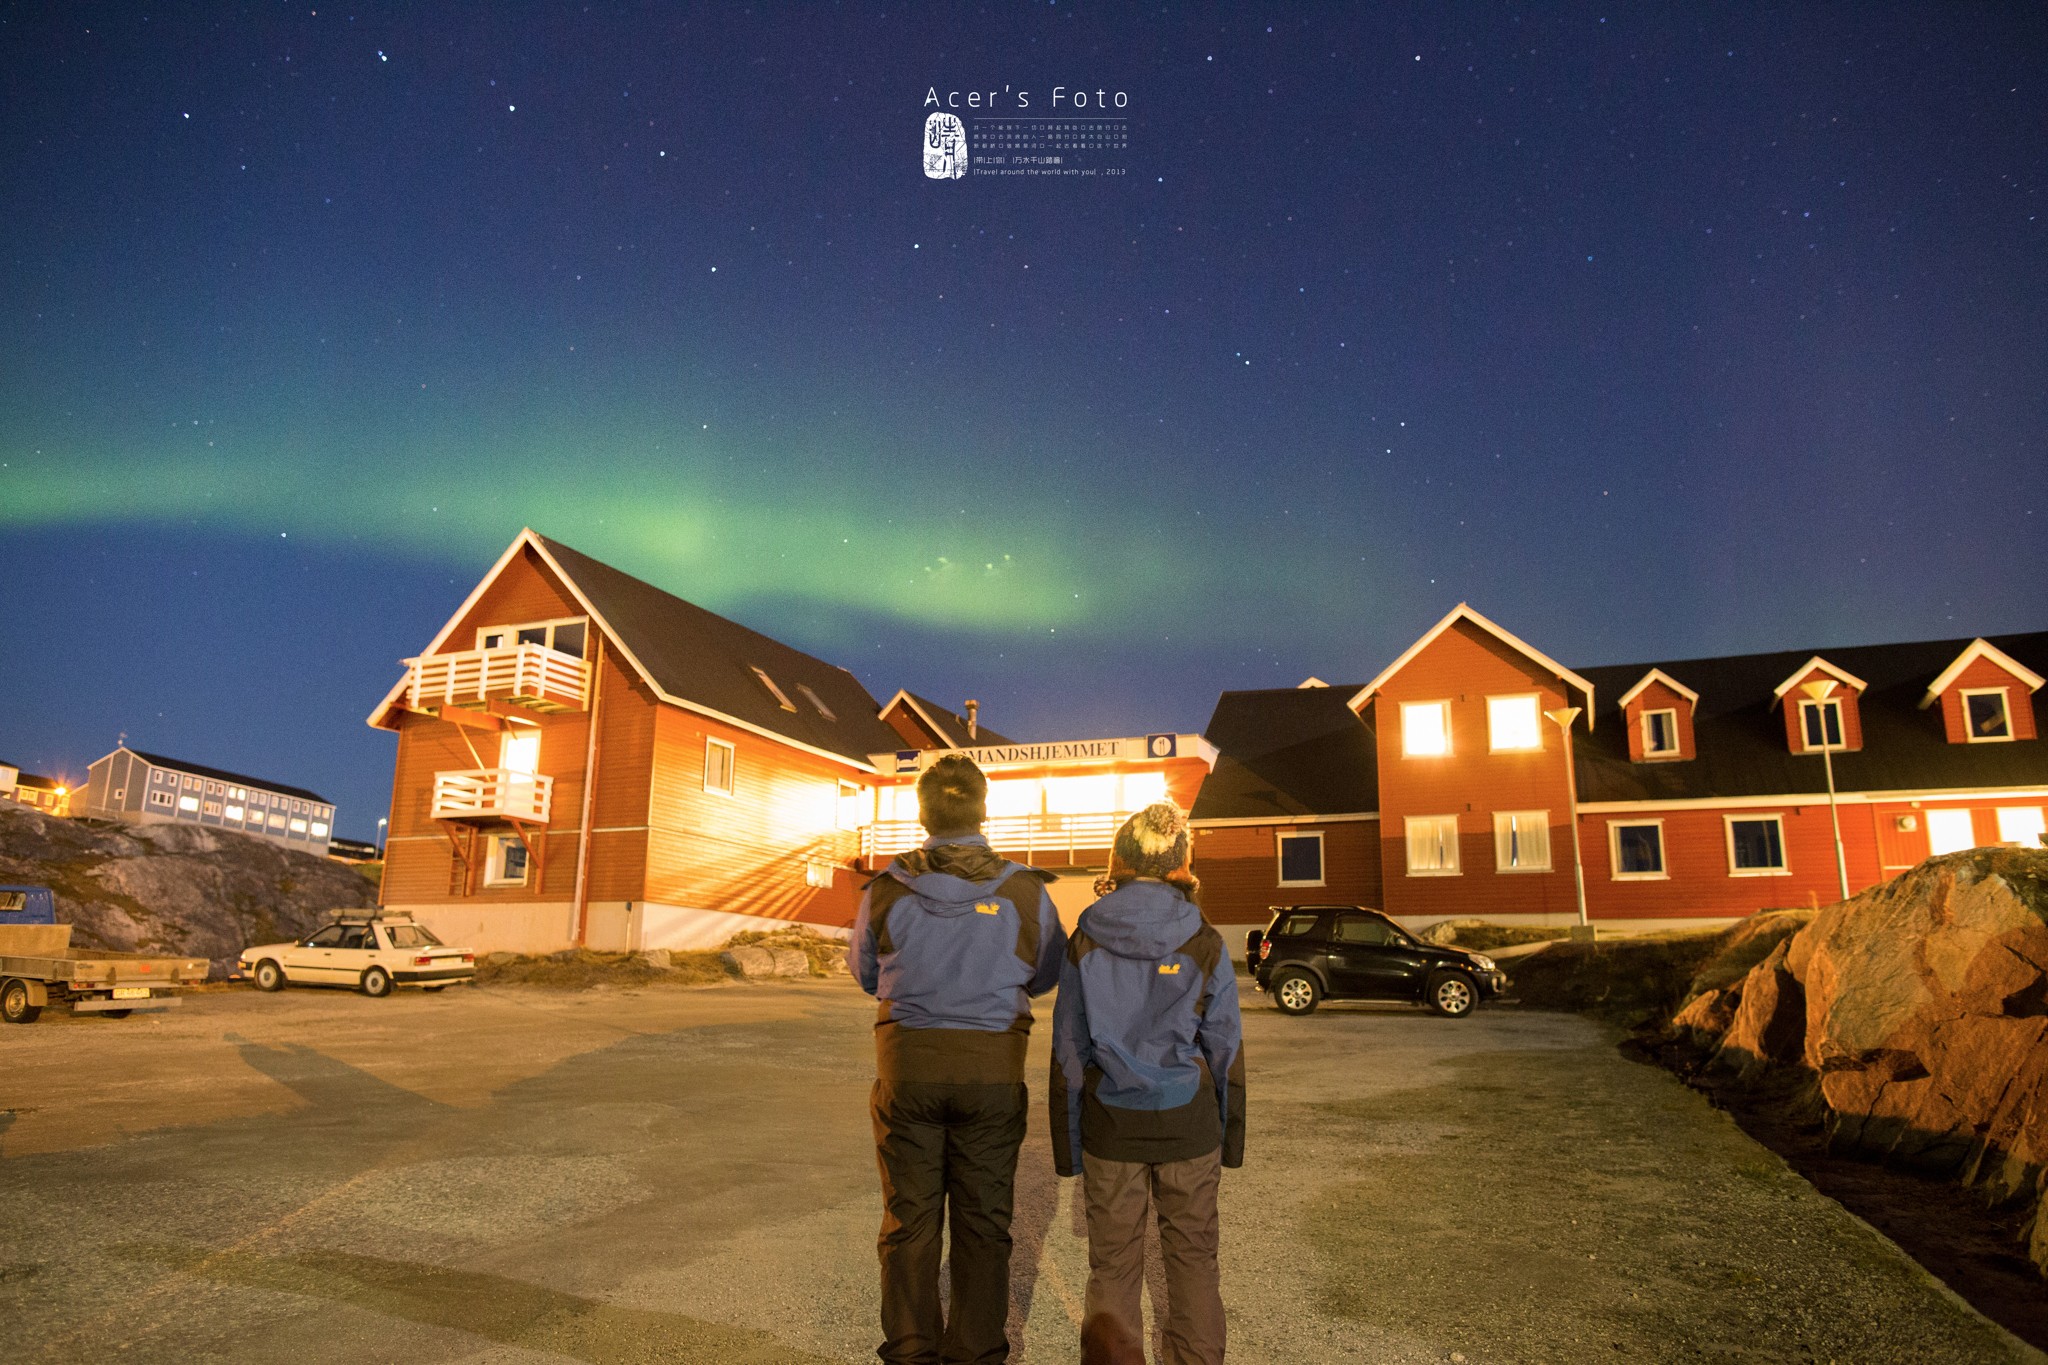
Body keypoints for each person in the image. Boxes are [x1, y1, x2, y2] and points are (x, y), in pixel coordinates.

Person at [850, 753, 1068, 1365]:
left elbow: (867, 974)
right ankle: (974, 1354)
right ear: (982, 811)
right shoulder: (1025, 890)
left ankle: (911, 1350)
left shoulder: (887, 889)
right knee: (983, 1221)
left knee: (909, 1222)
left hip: (908, 1069)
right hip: (992, 1071)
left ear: (923, 813)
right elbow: (1046, 973)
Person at [1051, 801, 1245, 1365]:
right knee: (1194, 1267)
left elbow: (1069, 1049)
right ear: (1179, 865)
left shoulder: (1085, 938)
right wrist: (1229, 1138)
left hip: (1112, 1128)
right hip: (1189, 1125)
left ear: (1122, 861)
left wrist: (1069, 1147)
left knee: (1111, 1269)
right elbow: (1226, 1048)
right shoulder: (1204, 938)